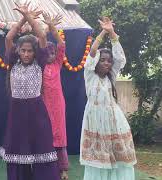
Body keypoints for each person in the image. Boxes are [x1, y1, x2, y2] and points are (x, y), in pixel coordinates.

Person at [0, 2, 60, 180]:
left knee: (41, 152)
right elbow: (8, 39)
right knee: (18, 154)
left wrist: (30, 18)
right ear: (17, 51)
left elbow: (41, 36)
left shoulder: (39, 63)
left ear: (35, 53)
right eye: (23, 51)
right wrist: (21, 20)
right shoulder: (13, 62)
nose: (26, 54)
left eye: (29, 51)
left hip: (37, 113)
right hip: (17, 113)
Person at [80, 17, 137, 180]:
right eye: (103, 60)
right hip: (95, 121)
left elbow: (120, 58)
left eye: (108, 61)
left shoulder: (111, 76)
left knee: (118, 157)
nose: (107, 63)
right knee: (99, 159)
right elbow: (91, 54)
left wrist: (112, 33)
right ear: (96, 62)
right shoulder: (90, 75)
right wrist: (103, 32)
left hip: (114, 121)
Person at [42, 12, 69, 180]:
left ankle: (63, 170)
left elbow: (61, 44)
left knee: (59, 135)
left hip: (58, 104)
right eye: (47, 53)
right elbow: (39, 42)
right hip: (43, 104)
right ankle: (46, 168)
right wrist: (46, 29)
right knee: (45, 134)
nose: (51, 56)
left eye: (53, 53)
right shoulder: (39, 64)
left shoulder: (58, 64)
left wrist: (52, 28)